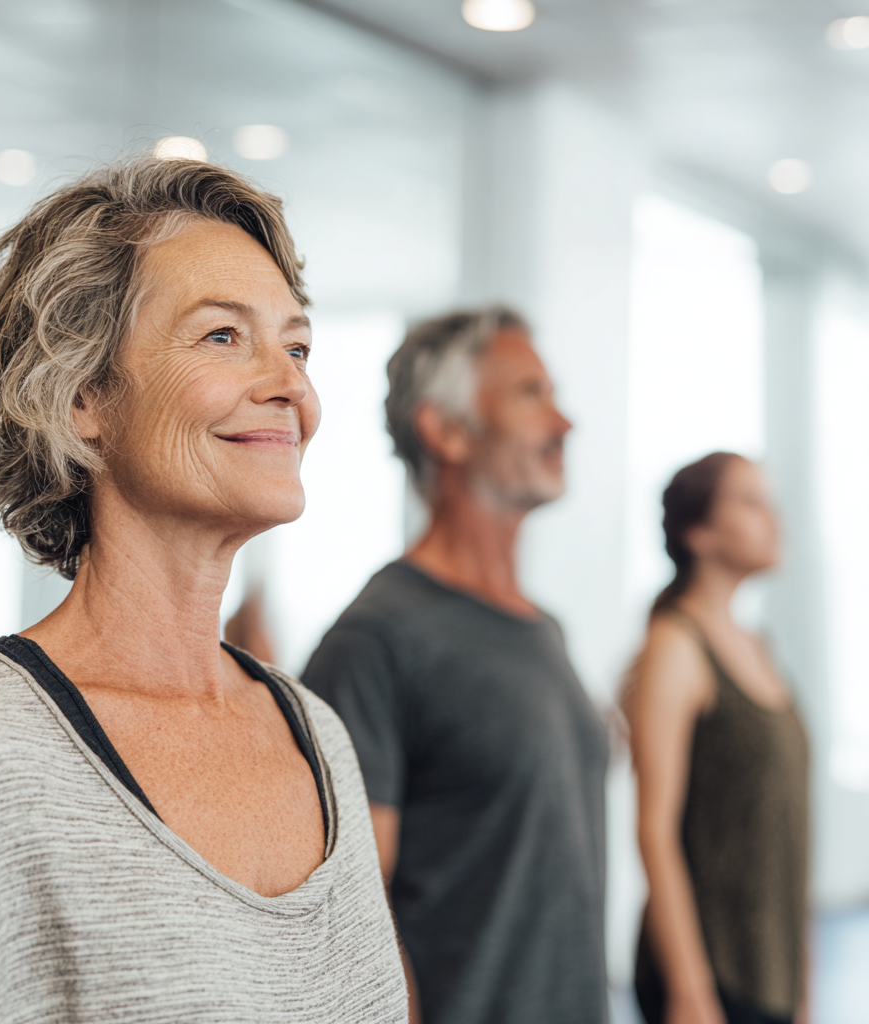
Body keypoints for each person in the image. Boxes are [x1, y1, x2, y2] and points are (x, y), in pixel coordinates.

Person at [0, 157, 406, 1022]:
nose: (290, 384)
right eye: (223, 336)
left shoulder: (316, 734)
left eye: (296, 346)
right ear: (81, 396)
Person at [302, 308, 610, 1024]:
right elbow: (353, 917)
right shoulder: (376, 638)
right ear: (447, 430)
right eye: (531, 395)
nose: (564, 423)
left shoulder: (545, 631)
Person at [623, 453, 808, 1024]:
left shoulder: (760, 646)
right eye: (751, 502)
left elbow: (788, 832)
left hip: (770, 972)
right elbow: (654, 831)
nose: (774, 521)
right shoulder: (674, 647)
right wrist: (689, 991)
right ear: (697, 531)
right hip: (712, 977)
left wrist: (801, 984)